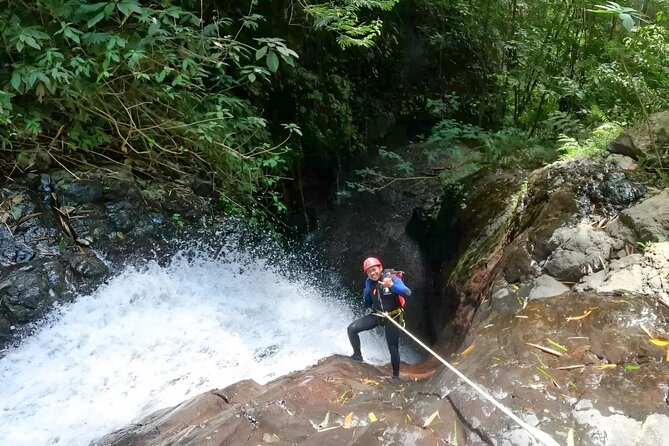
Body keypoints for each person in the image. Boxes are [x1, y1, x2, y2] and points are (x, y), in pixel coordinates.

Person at [347, 256, 411, 380]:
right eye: (369, 271)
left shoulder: (392, 278)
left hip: (392, 316)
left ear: (380, 268)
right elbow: (368, 296)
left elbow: (407, 292)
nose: (372, 273)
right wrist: (367, 307)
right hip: (377, 315)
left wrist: (392, 285)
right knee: (352, 329)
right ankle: (357, 355)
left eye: (374, 269)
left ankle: (396, 376)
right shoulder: (369, 282)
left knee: (393, 347)